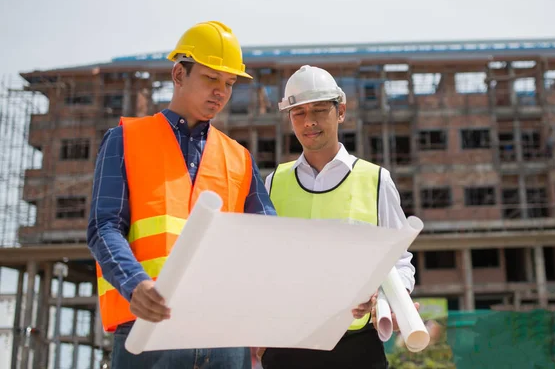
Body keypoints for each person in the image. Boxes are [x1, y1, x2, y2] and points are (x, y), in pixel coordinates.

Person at [87, 21, 277, 369]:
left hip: (223, 335)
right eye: (211, 78)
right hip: (148, 330)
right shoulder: (125, 139)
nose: (221, 91)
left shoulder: (239, 158)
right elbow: (103, 227)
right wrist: (135, 284)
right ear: (178, 74)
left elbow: (267, 240)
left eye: (229, 83)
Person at [260, 65, 417, 369]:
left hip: (356, 347)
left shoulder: (376, 180)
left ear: (341, 111)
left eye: (319, 110)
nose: (310, 122)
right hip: (287, 346)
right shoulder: (273, 182)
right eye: (299, 113)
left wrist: (394, 300)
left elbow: (398, 260)